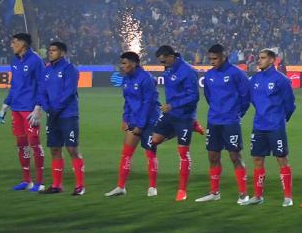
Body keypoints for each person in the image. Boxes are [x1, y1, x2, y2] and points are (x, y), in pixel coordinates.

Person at [196, 44, 252, 203]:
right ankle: (214, 192)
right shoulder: (209, 75)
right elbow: (208, 96)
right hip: (213, 121)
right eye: (210, 59)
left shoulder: (237, 73)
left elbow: (246, 97)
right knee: (213, 156)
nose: (212, 62)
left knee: (235, 156)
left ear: (224, 56)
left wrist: (237, 114)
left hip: (230, 122)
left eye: (215, 58)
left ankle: (243, 194)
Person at [245, 47, 296, 207]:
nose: (259, 60)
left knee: (281, 159)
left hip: (276, 126)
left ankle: (288, 197)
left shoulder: (281, 80)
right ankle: (258, 196)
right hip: (259, 125)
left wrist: (281, 118)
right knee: (257, 159)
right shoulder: (254, 80)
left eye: (263, 58)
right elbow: (252, 100)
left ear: (272, 60)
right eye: (259, 57)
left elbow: (290, 104)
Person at [150, 45, 201, 201]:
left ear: (171, 57)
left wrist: (173, 105)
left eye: (163, 61)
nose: (162, 64)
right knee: (153, 141)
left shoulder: (188, 71)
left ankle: (182, 190)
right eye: (160, 62)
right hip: (170, 114)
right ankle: (191, 127)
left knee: (183, 153)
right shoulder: (169, 68)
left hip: (184, 116)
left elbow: (194, 97)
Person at [107, 51, 161, 197]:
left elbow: (148, 103)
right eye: (122, 63)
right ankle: (121, 187)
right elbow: (127, 101)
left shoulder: (147, 79)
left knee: (150, 154)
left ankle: (152, 187)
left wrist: (141, 125)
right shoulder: (126, 79)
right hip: (134, 120)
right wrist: (125, 119)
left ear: (134, 63)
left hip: (149, 121)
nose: (122, 66)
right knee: (126, 153)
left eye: (124, 63)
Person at [35, 39, 85, 195]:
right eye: (49, 50)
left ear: (62, 53)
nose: (50, 53)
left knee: (72, 149)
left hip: (68, 115)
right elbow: (41, 92)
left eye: (54, 50)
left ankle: (80, 186)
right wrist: (47, 108)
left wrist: (55, 108)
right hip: (52, 114)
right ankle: (57, 185)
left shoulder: (70, 69)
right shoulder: (46, 70)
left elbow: (69, 92)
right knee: (55, 149)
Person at [2, 31, 46, 191]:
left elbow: (42, 85)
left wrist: (38, 106)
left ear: (23, 44)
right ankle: (27, 180)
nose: (11, 45)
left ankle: (39, 182)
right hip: (16, 108)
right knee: (21, 144)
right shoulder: (15, 60)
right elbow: (14, 85)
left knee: (34, 143)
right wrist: (5, 105)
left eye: (14, 42)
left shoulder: (36, 60)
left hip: (30, 109)